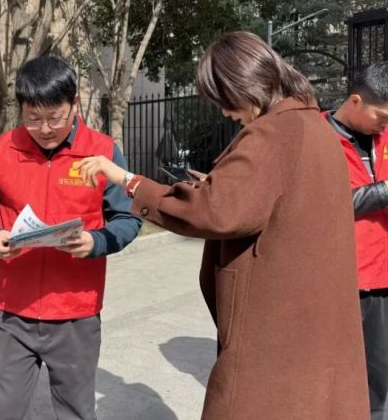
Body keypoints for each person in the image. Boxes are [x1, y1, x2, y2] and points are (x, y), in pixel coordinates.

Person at [78, 31, 370, 419]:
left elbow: (213, 211)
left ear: (243, 84)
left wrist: (126, 180)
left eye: (223, 101)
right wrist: (219, 186)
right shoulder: (315, 128)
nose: (225, 113)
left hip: (273, 328)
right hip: (310, 322)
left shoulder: (272, 133)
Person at [0, 55, 142, 420]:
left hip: (76, 312)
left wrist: (96, 242)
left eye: (55, 117)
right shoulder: (2, 150)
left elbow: (127, 217)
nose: (44, 129)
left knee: (76, 411)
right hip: (11, 311)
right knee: (1, 412)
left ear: (74, 103)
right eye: (33, 118)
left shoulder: (102, 152)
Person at [324, 62, 388, 420]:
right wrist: (384, 192)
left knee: (377, 379)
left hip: (382, 279)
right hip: (336, 279)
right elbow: (323, 203)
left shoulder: (385, 138)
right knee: (330, 371)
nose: (384, 125)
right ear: (355, 101)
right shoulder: (318, 139)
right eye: (382, 116)